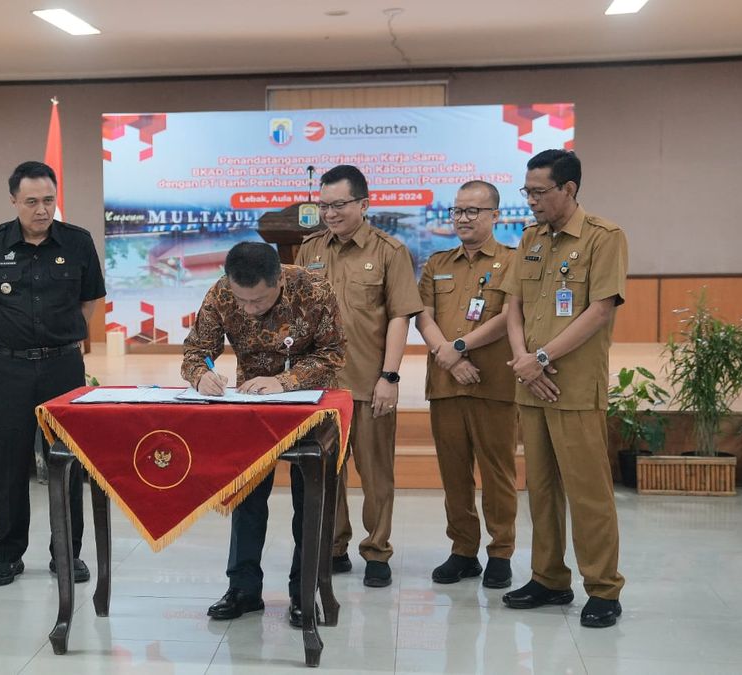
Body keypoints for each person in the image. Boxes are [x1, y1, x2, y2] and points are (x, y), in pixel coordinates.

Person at [182, 241, 345, 628]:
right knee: (248, 497)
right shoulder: (223, 291)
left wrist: (285, 381)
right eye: (243, 301)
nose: (249, 309)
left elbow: (333, 354)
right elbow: (195, 351)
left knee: (310, 502)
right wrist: (201, 374)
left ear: (279, 282)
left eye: (259, 302)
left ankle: (302, 593)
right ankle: (242, 589)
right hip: (252, 408)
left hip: (308, 406)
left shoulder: (314, 290)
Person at [0, 160, 106, 586]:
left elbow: (88, 301)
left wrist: (63, 341)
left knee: (68, 460)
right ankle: (7, 554)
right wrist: (1, 345)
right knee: (8, 461)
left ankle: (67, 553)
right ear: (13, 201)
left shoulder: (77, 242)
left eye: (48, 200)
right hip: (9, 367)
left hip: (63, 365)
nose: (41, 209)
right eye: (31, 202)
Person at [502, 149, 628, 628]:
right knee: (541, 490)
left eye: (539, 192)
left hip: (571, 386)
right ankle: (549, 578)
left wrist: (541, 358)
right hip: (531, 384)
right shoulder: (530, 238)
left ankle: (603, 588)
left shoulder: (604, 237)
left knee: (587, 492)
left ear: (569, 189)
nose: (530, 200)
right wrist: (522, 359)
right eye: (527, 191)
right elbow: (512, 304)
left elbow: (600, 310)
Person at [294, 164, 423, 588]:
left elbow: (401, 316)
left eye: (338, 204)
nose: (329, 213)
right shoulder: (310, 250)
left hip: (369, 384)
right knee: (326, 471)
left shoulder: (389, 251)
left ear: (363, 204)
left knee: (376, 473)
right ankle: (333, 546)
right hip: (320, 387)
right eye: (323, 204)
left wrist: (390, 376)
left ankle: (377, 550)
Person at [415, 180, 518, 589]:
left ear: (495, 215)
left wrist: (457, 348)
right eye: (458, 210)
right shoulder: (437, 263)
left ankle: (501, 552)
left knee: (498, 473)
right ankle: (463, 550)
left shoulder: (512, 262)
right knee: (453, 473)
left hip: (493, 383)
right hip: (446, 384)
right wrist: (448, 356)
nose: (463, 218)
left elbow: (508, 316)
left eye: (474, 211)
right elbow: (423, 316)